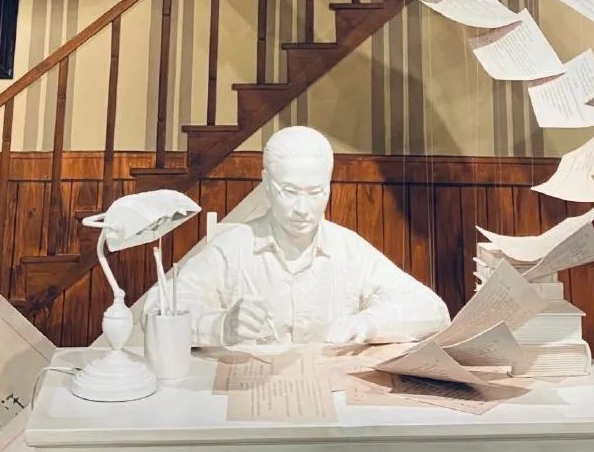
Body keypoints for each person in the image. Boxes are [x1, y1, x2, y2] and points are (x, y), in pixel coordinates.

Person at [156, 125, 449, 347]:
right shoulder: (233, 249)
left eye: (315, 192)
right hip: (250, 398)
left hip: (328, 400)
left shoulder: (349, 250)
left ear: (329, 186)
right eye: (289, 192)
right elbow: (158, 307)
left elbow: (433, 310)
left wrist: (371, 322)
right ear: (267, 184)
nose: (302, 209)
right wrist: (220, 326)